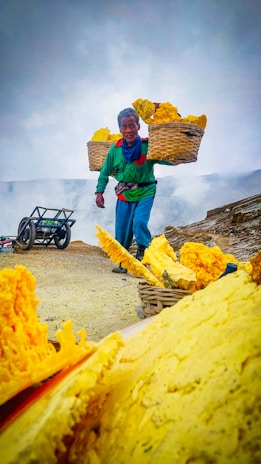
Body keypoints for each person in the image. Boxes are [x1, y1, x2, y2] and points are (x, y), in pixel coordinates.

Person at [95, 107, 171, 273]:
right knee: (121, 231)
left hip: (146, 192)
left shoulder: (148, 146)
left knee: (139, 223)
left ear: (138, 126)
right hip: (124, 194)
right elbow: (104, 171)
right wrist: (99, 192)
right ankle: (123, 262)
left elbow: (168, 158)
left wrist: (177, 155)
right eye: (124, 126)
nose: (128, 130)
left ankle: (143, 252)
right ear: (120, 129)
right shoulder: (115, 150)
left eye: (132, 125)